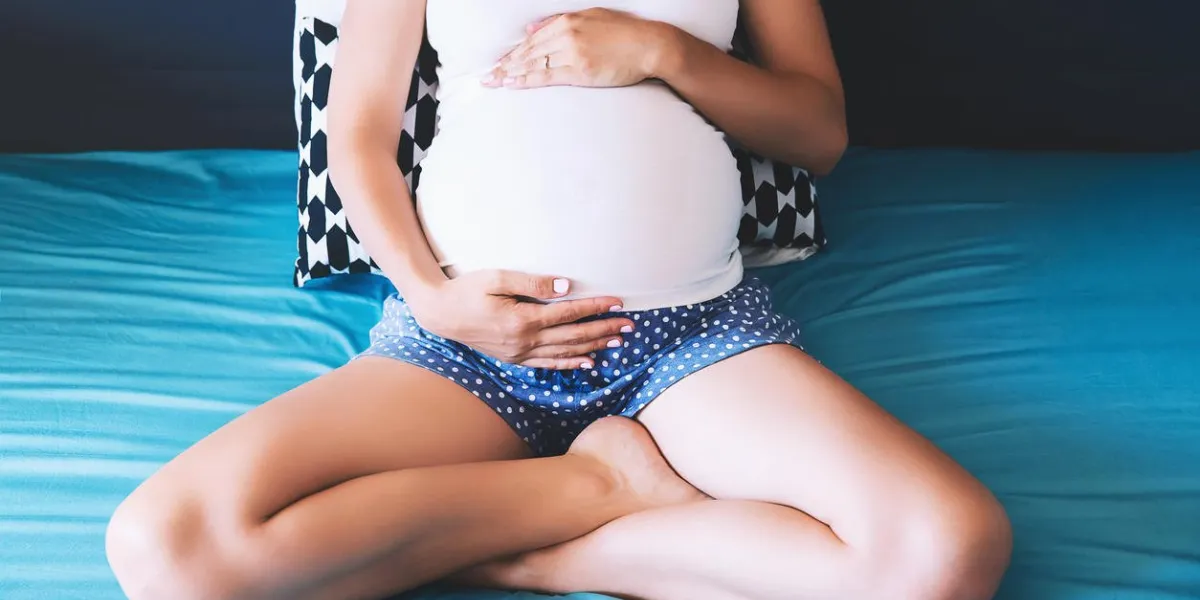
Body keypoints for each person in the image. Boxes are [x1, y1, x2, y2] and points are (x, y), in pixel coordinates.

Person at [105, 1, 1012, 599]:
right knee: (168, 549)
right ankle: (598, 486)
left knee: (949, 549)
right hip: (463, 343)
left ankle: (536, 555)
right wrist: (434, 298)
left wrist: (661, 50)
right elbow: (358, 142)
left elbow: (818, 136)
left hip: (693, 341)